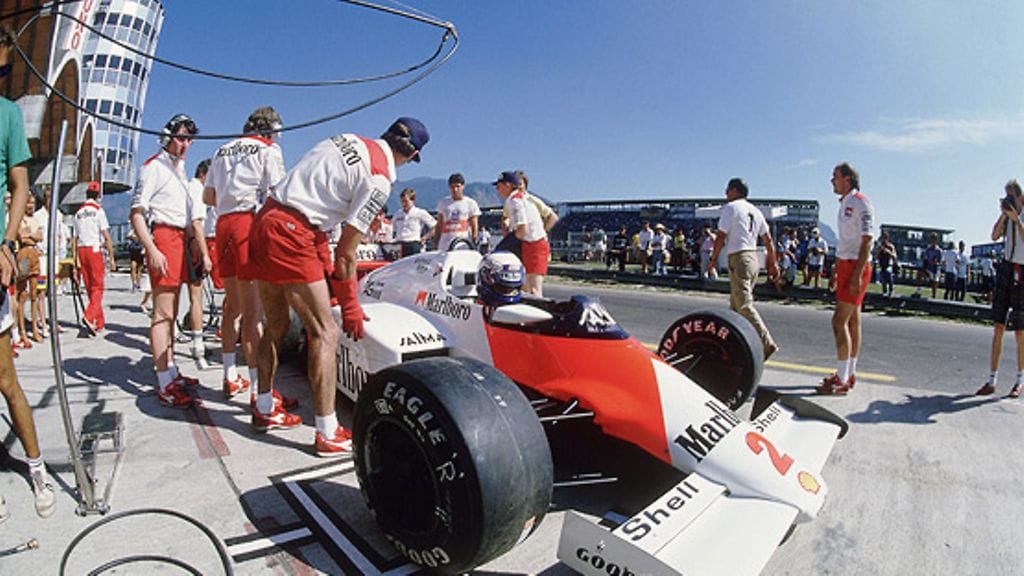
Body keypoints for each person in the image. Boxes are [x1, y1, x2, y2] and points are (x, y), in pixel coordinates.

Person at [250, 116, 428, 456]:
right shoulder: (379, 180)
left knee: (276, 325)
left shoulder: (346, 138)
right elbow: (346, 254)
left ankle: (263, 406)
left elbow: (317, 216)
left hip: (265, 220)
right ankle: (327, 431)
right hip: (292, 231)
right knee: (325, 333)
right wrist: (350, 306)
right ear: (411, 155)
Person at [0, 24, 56, 517]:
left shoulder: (7, 114)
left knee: (6, 379)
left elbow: (19, 184)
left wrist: (7, 240)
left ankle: (36, 468)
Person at [204, 107, 285, 400]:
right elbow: (279, 192)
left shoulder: (221, 150)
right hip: (248, 223)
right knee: (254, 314)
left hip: (223, 224)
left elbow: (208, 196)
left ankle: (229, 375)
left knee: (232, 307)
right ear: (270, 129)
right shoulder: (268, 150)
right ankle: (258, 390)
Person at [130, 113, 207, 408]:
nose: (185, 144)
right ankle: (164, 381)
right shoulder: (153, 167)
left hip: (180, 239)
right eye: (181, 137)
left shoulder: (179, 170)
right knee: (162, 313)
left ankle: (171, 369)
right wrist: (152, 249)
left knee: (173, 311)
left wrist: (193, 242)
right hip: (163, 236)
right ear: (168, 137)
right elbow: (137, 212)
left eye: (189, 139)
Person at [817, 162, 874, 395]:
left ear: (847, 179)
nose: (832, 181)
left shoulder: (861, 202)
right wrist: (836, 268)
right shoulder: (844, 204)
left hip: (856, 266)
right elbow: (846, 242)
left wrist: (856, 275)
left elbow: (867, 240)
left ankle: (841, 379)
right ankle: (848, 373)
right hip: (845, 264)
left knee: (838, 321)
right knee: (852, 321)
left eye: (835, 177)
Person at [707, 178, 780, 360]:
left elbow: (720, 236)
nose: (725, 193)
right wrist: (773, 263)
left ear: (735, 190)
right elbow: (768, 240)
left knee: (744, 305)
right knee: (735, 308)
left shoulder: (731, 208)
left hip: (739, 257)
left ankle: (766, 343)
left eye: (728, 190)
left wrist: (713, 259)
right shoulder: (755, 211)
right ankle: (734, 347)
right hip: (753, 258)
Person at [977, 180, 1024, 397]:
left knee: (1020, 331)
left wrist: (1017, 219)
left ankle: (1019, 380)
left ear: (1020, 197)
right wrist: (1004, 216)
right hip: (1006, 267)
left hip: (1022, 270)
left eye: (1011, 196)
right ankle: (992, 379)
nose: (1008, 199)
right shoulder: (1007, 215)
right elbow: (994, 236)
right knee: (998, 326)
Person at [493, 171, 551, 296]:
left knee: (534, 289)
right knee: (524, 287)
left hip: (535, 244)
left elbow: (522, 230)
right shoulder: (517, 198)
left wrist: (504, 245)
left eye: (499, 186)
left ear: (508, 185)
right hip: (527, 243)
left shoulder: (515, 201)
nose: (497, 189)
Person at [73, 181, 115, 333]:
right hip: (94, 249)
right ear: (98, 195)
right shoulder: (98, 211)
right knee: (98, 287)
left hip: (81, 249)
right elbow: (106, 236)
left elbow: (74, 238)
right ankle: (90, 316)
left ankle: (99, 321)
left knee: (90, 287)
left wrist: (75, 259)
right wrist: (112, 257)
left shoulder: (78, 213)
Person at [185, 159, 211, 368]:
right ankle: (198, 344)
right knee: (197, 296)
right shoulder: (198, 191)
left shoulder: (186, 187)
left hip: (180, 241)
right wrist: (205, 254)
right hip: (192, 244)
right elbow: (196, 223)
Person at [15, 194, 42, 346]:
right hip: (23, 255)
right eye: (28, 203)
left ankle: (35, 328)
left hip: (34, 254)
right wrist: (32, 235)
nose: (30, 206)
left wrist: (31, 234)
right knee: (22, 293)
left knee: (34, 293)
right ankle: (22, 330)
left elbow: (40, 236)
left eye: (32, 203)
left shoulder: (34, 219)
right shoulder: (20, 219)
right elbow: (22, 237)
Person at [435, 173, 479, 251]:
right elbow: (439, 224)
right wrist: (436, 242)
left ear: (463, 186)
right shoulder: (443, 203)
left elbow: (474, 224)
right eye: (452, 187)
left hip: (462, 243)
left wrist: (474, 238)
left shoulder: (470, 203)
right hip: (445, 243)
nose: (455, 189)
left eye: (458, 186)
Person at [392, 187, 436, 257]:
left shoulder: (420, 212)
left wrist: (425, 237)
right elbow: (392, 228)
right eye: (402, 201)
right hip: (399, 245)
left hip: (413, 244)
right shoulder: (397, 214)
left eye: (406, 201)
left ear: (412, 200)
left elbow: (435, 226)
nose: (404, 204)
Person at [875, 230, 898, 297]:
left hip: (889, 264)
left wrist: (888, 252)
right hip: (882, 265)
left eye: (884, 238)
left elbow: (895, 256)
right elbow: (876, 257)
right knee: (883, 279)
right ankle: (884, 291)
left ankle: (891, 290)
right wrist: (879, 251)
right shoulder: (880, 247)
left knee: (889, 276)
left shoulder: (891, 246)